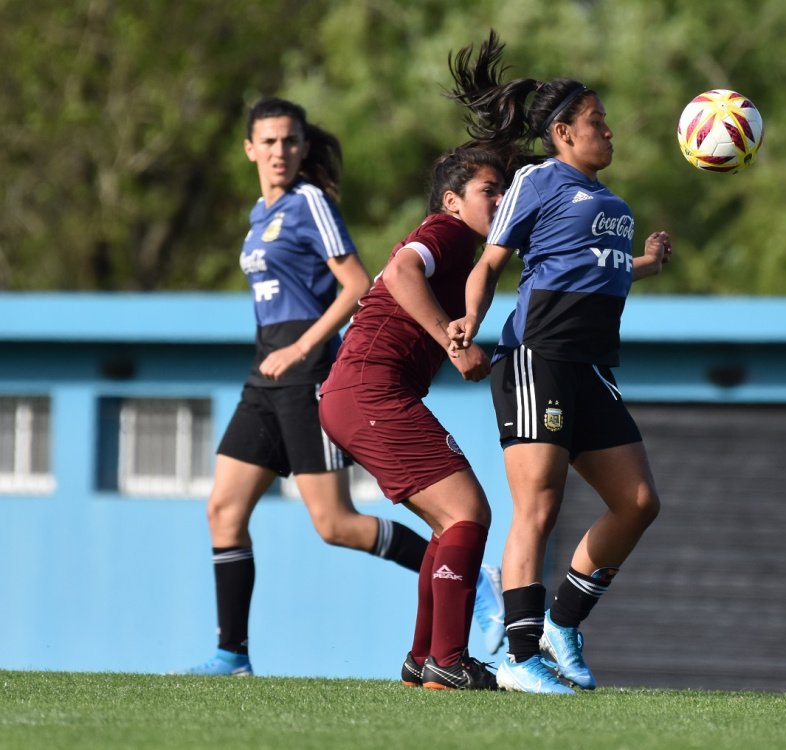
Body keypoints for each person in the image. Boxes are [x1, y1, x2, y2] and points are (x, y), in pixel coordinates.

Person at [178, 97, 504, 677]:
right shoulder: (262, 216)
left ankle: (442, 636)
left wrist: (304, 348)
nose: (280, 151)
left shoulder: (310, 203)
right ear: (249, 149)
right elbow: (398, 273)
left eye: (290, 141)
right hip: (301, 378)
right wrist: (456, 346)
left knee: (338, 523)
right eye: (269, 141)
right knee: (223, 510)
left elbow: (356, 282)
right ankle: (233, 654)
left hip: (312, 375)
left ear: (303, 148)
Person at [445, 33, 671, 694]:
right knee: (538, 507)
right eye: (597, 122)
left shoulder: (615, 208)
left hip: (593, 367)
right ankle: (519, 658)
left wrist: (648, 265)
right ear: (563, 132)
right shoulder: (537, 182)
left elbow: (596, 271)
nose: (609, 132)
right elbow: (491, 263)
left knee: (638, 502)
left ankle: (562, 624)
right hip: (535, 360)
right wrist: (468, 325)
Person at [318, 143, 525, 690]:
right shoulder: (448, 231)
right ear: (453, 201)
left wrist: (640, 261)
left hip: (357, 394)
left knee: (448, 521)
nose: (500, 199)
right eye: (489, 191)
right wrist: (453, 346)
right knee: (468, 512)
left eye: (504, 190)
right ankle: (449, 662)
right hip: (370, 390)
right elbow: (401, 269)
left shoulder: (473, 249)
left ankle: (423, 658)